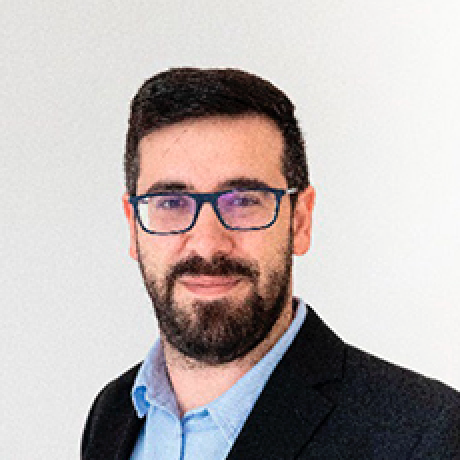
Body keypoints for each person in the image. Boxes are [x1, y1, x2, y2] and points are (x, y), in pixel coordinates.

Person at [81, 67, 460, 459]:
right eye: (171, 203)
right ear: (133, 225)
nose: (207, 245)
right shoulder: (114, 414)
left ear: (300, 221)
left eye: (243, 201)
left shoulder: (427, 435)